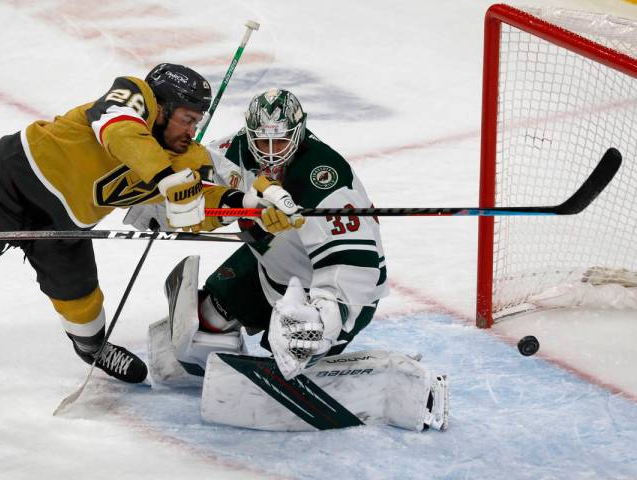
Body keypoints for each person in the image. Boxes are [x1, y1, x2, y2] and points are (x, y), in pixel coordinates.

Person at [0, 66, 303, 385]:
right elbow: (119, 131)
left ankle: (92, 349)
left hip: (63, 227)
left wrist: (249, 208)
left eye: (196, 122)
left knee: (83, 303)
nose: (192, 130)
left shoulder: (182, 158)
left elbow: (208, 199)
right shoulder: (133, 95)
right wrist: (165, 178)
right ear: (161, 108)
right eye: (187, 119)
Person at [128, 88, 449, 431]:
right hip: (270, 267)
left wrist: (325, 314)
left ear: (299, 134)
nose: (268, 154)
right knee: (199, 326)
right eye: (261, 142)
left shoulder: (326, 177)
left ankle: (402, 386)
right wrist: (162, 198)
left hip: (329, 289)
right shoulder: (237, 149)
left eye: (279, 143)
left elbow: (355, 261)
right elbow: (205, 177)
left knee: (298, 349)